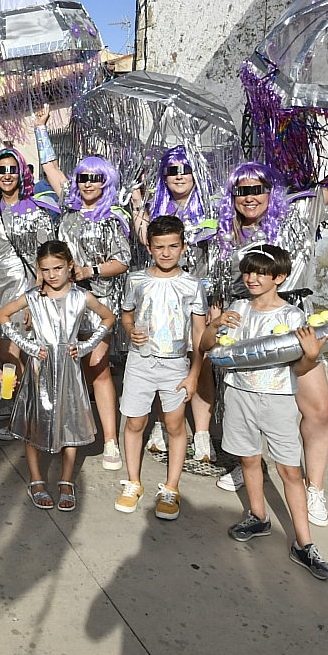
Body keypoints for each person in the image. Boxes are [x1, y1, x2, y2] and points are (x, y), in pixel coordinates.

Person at [207, 157, 328, 528]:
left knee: (317, 409)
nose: (249, 197)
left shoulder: (298, 217)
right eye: (242, 191)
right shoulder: (224, 237)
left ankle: (313, 488)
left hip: (292, 322)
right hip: (247, 327)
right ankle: (247, 464)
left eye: (257, 189)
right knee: (246, 402)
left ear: (272, 192)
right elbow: (218, 292)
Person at [200, 245, 328, 580]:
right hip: (239, 395)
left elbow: (301, 368)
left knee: (290, 469)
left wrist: (311, 353)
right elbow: (206, 347)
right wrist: (215, 326)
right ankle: (258, 516)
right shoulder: (238, 308)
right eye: (248, 271)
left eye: (262, 272)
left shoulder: (291, 316)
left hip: (276, 398)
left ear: (280, 277)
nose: (253, 278)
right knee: (248, 459)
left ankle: (304, 543)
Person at [36, 106, 133, 472]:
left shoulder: (114, 215)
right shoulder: (69, 208)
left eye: (96, 178)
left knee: (97, 365)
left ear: (106, 181)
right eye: (83, 177)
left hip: (99, 301)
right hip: (61, 301)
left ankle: (109, 439)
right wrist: (40, 130)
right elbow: (50, 169)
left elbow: (122, 260)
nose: (88, 183)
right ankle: (62, 430)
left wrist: (88, 269)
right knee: (61, 365)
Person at [0, 241, 113, 512]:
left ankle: (66, 479)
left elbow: (108, 318)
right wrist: (27, 345)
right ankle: (36, 478)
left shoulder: (81, 296)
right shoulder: (34, 296)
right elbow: (3, 314)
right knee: (34, 423)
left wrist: (85, 346)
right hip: (39, 369)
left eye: (58, 268)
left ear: (70, 265)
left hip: (69, 370)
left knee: (69, 423)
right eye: (46, 269)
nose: (52, 274)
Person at [115, 216, 207, 520]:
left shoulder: (192, 285)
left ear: (182, 246)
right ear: (149, 247)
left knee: (175, 425)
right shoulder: (136, 280)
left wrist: (194, 374)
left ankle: (171, 488)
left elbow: (200, 336)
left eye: (173, 246)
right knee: (135, 423)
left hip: (176, 365)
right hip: (140, 362)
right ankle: (133, 482)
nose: (166, 253)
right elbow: (127, 315)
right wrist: (130, 330)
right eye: (159, 247)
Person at [0, 147, 55, 443]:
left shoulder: (35, 210)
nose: (7, 176)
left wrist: (35, 301)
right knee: (5, 354)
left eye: (12, 170)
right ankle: (12, 403)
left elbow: (44, 261)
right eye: (1, 170)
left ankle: (26, 416)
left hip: (22, 291)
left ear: (22, 174)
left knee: (14, 354)